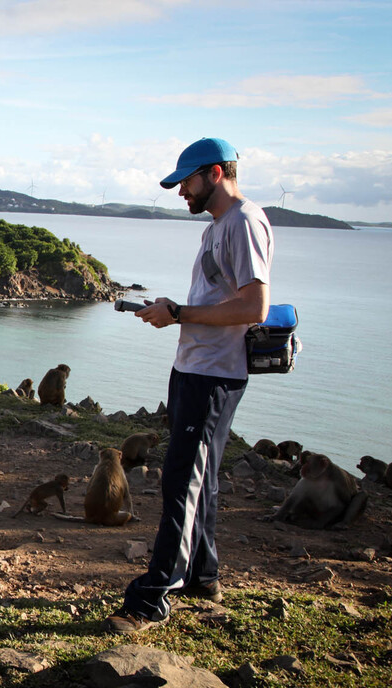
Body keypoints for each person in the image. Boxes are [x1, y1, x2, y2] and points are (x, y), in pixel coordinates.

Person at [104, 137, 273, 634]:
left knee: (182, 480)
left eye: (187, 181)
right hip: (197, 367)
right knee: (203, 476)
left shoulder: (243, 223)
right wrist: (175, 311)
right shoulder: (221, 226)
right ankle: (204, 575)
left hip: (214, 374)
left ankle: (153, 598)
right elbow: (221, 300)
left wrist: (179, 314)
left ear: (215, 173)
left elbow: (253, 307)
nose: (181, 192)